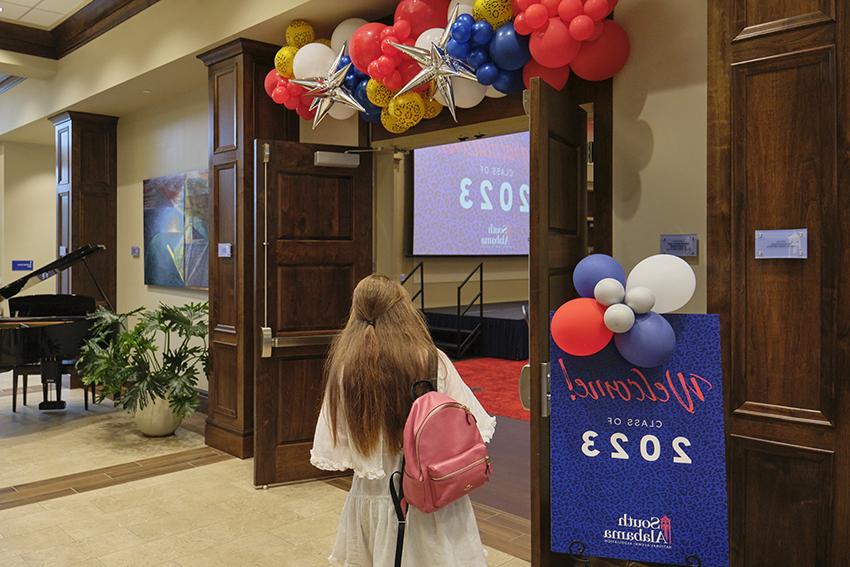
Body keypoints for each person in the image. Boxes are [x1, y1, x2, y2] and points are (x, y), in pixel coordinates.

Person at [311, 274, 496, 566]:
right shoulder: (432, 359)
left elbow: (335, 442)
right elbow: (473, 423)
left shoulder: (345, 368)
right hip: (432, 493)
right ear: (403, 310)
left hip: (374, 493)